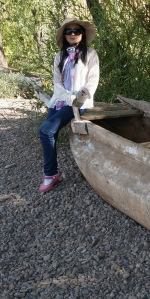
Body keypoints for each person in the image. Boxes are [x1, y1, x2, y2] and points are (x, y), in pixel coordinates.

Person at [37, 17, 99, 193]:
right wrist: (65, 97)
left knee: (45, 130)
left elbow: (92, 81)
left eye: (76, 31)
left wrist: (77, 98)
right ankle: (52, 172)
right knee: (50, 133)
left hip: (80, 102)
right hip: (59, 100)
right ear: (64, 35)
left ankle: (50, 174)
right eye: (68, 31)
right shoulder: (59, 56)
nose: (73, 34)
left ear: (82, 34)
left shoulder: (91, 54)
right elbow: (57, 83)